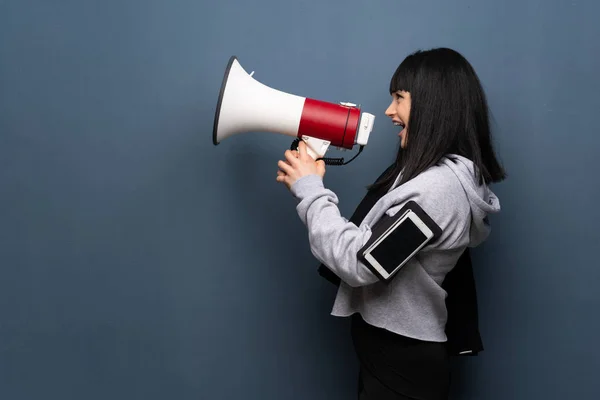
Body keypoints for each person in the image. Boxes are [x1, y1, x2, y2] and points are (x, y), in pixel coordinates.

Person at [275, 47, 506, 400]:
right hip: (395, 355)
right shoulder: (436, 178)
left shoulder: (437, 191)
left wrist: (310, 190)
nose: (389, 110)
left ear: (434, 105)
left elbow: (360, 264)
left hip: (401, 364)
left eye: (400, 97)